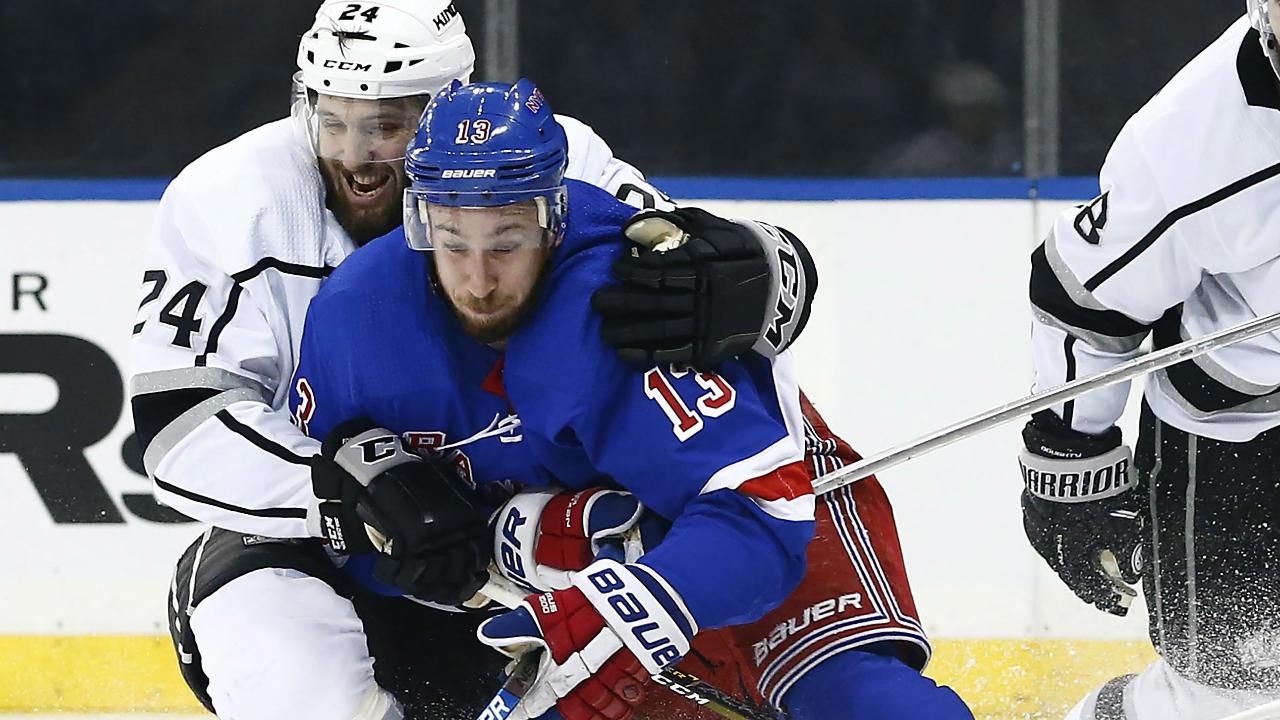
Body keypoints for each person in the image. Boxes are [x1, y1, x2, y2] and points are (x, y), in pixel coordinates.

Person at [130, 1, 819, 717]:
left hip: (515, 527)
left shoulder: (553, 156)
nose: (355, 155)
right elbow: (179, 424)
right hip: (319, 536)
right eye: (332, 120)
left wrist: (766, 269)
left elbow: (692, 285)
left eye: (387, 126)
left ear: (447, 105)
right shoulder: (232, 197)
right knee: (304, 694)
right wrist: (348, 489)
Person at [287, 78, 973, 720]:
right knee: (539, 533)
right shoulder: (357, 320)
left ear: (553, 218)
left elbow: (763, 514)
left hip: (767, 501)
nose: (479, 279)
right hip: (577, 561)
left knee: (866, 703)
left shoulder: (624, 303)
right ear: (419, 218)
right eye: (453, 241)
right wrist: (401, 550)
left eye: (508, 241)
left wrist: (631, 606)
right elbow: (336, 511)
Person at [1021, 3, 1280, 717]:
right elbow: (1083, 304)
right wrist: (1069, 462)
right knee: (1228, 698)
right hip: (1242, 441)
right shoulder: (1192, 145)